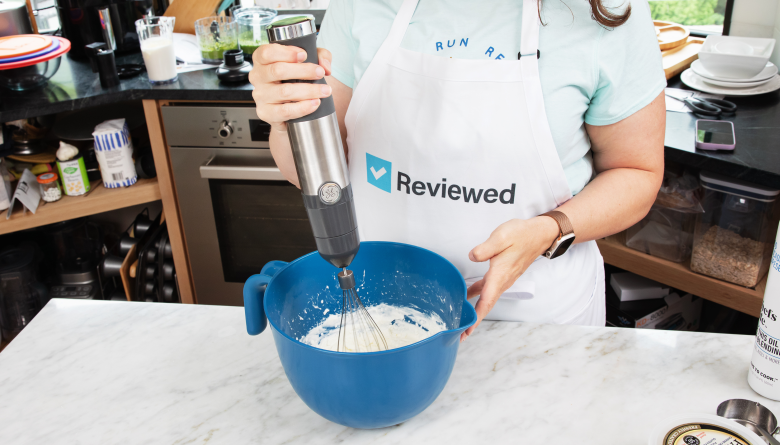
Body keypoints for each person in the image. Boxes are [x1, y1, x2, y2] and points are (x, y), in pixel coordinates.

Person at [250, 0, 666, 340]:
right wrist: (289, 121)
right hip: (376, 312)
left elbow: (637, 173)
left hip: (538, 323)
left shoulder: (605, 13)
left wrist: (549, 230)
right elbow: (314, 173)